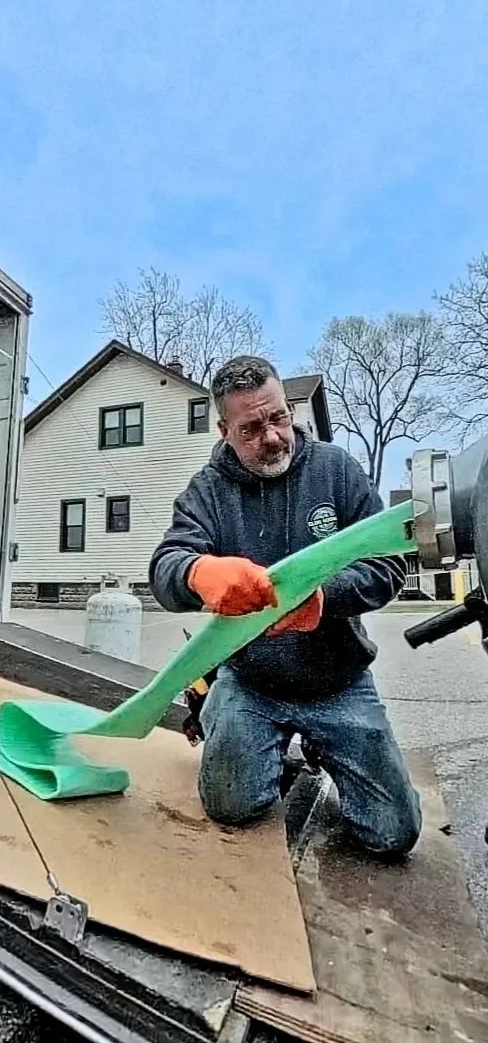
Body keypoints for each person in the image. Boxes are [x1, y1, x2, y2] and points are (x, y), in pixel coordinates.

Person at [149, 355, 421, 858]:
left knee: (393, 835)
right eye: (251, 428)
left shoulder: (336, 470)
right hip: (251, 681)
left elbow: (389, 564)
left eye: (278, 418)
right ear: (224, 429)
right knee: (231, 806)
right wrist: (198, 573)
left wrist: (322, 600)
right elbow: (165, 566)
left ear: (288, 407)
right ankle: (228, 715)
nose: (272, 437)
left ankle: (325, 742)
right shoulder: (206, 492)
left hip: (337, 679)